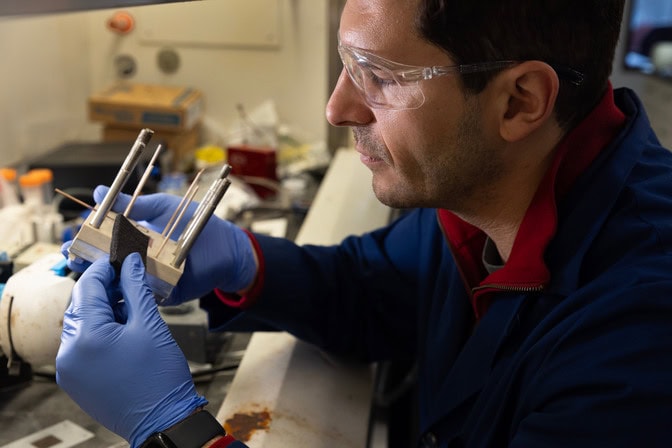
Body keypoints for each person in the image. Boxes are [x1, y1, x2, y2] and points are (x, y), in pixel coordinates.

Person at [55, 0, 672, 446]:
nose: (338, 107)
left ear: (520, 101)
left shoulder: (637, 340)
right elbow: (377, 292)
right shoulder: (488, 194)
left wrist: (174, 429)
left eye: (379, 77)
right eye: (347, 64)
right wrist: (246, 260)